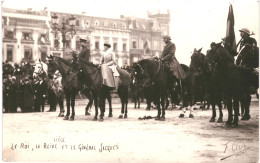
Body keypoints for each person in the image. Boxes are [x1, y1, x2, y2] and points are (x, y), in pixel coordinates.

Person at [236, 28, 258, 121]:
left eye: (242, 32)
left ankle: (254, 87)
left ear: (246, 33)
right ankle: (243, 112)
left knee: (254, 76)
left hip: (250, 65)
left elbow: (253, 51)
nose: (240, 33)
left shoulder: (251, 40)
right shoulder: (241, 41)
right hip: (241, 65)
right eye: (240, 32)